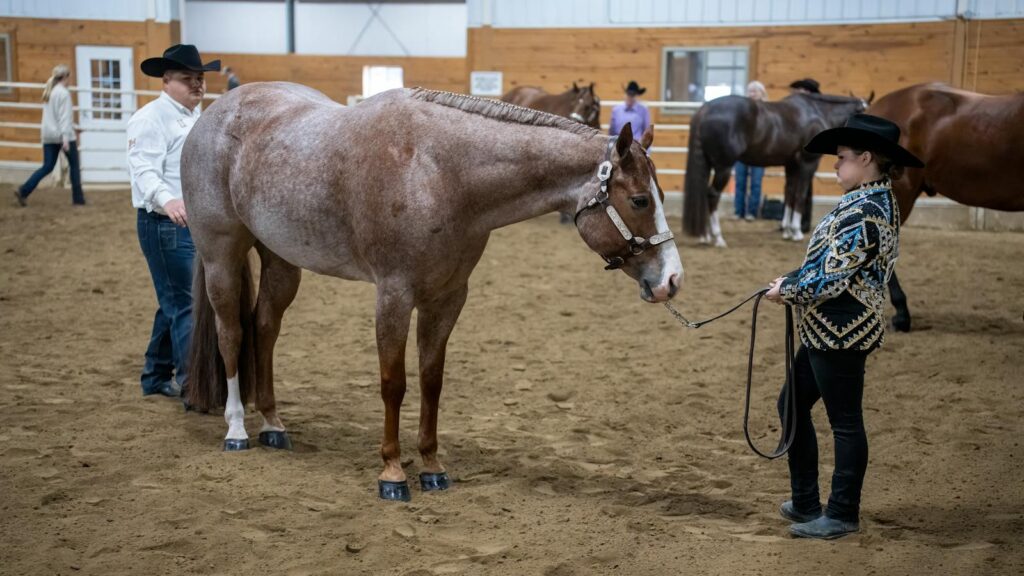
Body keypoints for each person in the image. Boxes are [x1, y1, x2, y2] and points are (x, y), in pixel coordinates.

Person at [765, 114, 924, 539]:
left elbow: (831, 276)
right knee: (792, 405)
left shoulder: (866, 210)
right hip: (828, 326)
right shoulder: (868, 199)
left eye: (842, 158)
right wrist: (793, 280)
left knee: (845, 421)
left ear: (867, 158)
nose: (835, 165)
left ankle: (840, 513)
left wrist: (790, 289)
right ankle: (804, 502)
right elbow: (829, 263)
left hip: (841, 328)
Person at [128, 44, 220, 401]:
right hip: (165, 223)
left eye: (199, 79)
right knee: (187, 304)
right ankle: (193, 384)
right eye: (187, 79)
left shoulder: (196, 118)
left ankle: (154, 377)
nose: (197, 85)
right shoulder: (151, 118)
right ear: (166, 80)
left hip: (190, 223)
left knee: (175, 299)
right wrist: (166, 199)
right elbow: (144, 168)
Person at [14, 64, 85, 206]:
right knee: (74, 165)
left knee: (47, 166)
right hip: (63, 136)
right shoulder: (64, 94)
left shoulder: (49, 91)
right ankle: (78, 199)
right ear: (65, 77)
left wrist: (74, 127)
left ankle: (24, 190)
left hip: (48, 135)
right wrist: (66, 137)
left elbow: (54, 117)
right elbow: (64, 117)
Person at [733, 81, 768, 221]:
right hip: (742, 152)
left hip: (760, 152)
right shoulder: (742, 110)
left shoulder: (767, 111)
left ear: (762, 93)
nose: (752, 94)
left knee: (756, 183)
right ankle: (738, 211)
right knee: (739, 182)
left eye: (755, 91)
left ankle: (752, 212)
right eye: (750, 91)